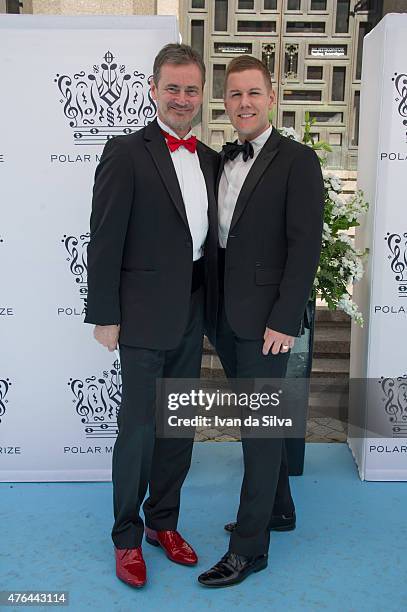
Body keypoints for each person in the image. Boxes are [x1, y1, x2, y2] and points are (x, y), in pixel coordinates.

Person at [85, 43, 218, 589]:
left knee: (179, 427)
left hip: (193, 311)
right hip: (139, 317)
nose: (182, 98)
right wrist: (104, 314)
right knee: (137, 431)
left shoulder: (209, 157)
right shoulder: (125, 152)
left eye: (191, 89)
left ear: (200, 93)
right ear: (153, 88)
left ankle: (164, 522)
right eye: (173, 88)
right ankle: (125, 536)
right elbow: (105, 237)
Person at [198, 55, 324, 588]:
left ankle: (249, 549)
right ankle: (281, 509)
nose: (243, 103)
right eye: (234, 95)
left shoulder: (298, 160)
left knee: (259, 430)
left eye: (253, 93)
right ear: (223, 102)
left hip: (267, 322)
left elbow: (305, 248)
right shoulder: (218, 159)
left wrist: (285, 318)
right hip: (224, 315)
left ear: (271, 98)